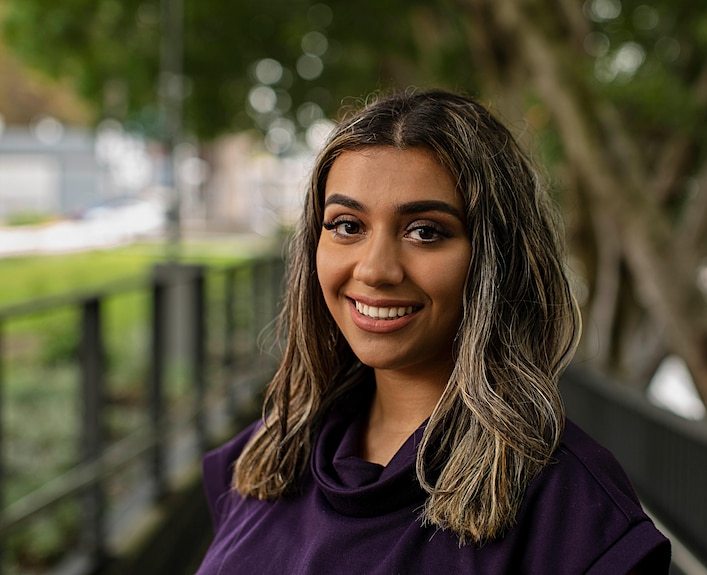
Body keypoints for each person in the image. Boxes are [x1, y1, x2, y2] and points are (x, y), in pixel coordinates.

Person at [196, 90, 671, 574]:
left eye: (424, 231)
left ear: (497, 260)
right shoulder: (267, 455)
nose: (376, 269)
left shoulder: (573, 518)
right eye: (346, 225)